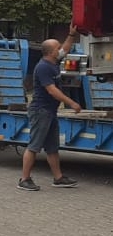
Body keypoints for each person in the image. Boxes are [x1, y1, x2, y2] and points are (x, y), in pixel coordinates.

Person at [17, 24, 83, 191]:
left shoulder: (54, 61)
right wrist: (72, 103)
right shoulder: (44, 67)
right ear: (49, 52)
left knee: (52, 147)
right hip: (41, 111)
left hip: (50, 111)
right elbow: (52, 90)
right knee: (34, 146)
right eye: (57, 48)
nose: (60, 49)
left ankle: (58, 178)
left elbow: (66, 49)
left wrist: (71, 34)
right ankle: (24, 179)